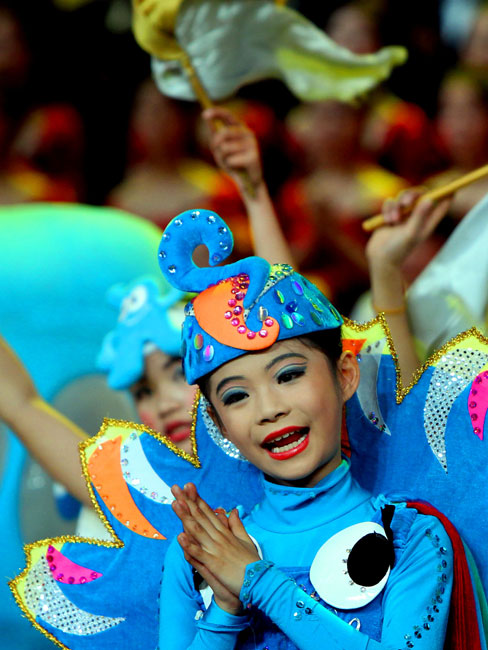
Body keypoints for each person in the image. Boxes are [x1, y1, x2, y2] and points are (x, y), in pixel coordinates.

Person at [156, 209, 483, 649]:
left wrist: (259, 583)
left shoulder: (411, 537)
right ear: (218, 423)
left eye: (288, 375)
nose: (269, 409)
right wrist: (226, 608)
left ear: (345, 375)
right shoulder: (200, 556)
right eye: (237, 396)